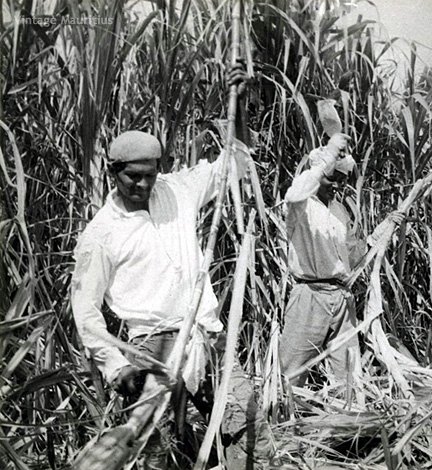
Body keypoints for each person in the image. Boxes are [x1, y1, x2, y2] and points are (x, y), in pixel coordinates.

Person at [70, 68, 266, 469]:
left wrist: (239, 106)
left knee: (247, 429)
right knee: (154, 452)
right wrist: (117, 367)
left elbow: (235, 165)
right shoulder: (101, 235)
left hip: (205, 336)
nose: (142, 185)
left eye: (150, 175)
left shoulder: (177, 190)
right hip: (151, 348)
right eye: (133, 177)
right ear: (113, 171)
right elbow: (86, 312)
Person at [280, 133, 401, 387]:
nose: (336, 186)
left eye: (342, 181)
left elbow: (355, 255)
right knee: (291, 373)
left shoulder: (338, 211)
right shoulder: (301, 206)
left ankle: (346, 420)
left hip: (341, 298)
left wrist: (384, 229)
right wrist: (331, 153)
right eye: (331, 178)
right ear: (319, 170)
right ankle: (284, 423)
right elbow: (294, 193)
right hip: (310, 297)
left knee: (348, 373)